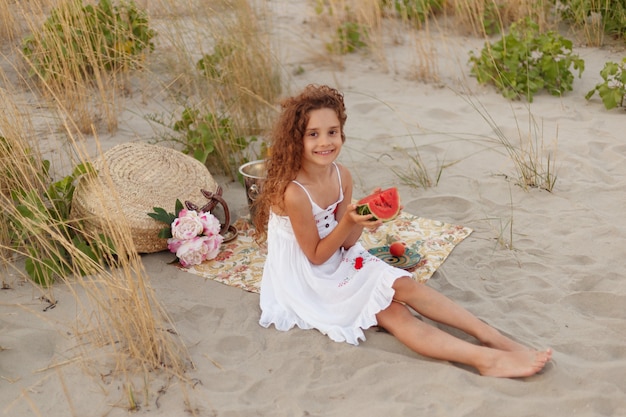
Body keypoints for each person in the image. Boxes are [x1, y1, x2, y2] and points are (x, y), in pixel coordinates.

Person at [252, 84, 552, 378]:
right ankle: (486, 360)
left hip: (335, 258)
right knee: (394, 313)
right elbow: (316, 256)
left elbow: (347, 244)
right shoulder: (294, 192)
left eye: (332, 131)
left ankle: (491, 337)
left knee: (406, 286)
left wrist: (362, 220)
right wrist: (349, 222)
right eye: (313, 134)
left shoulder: (341, 175)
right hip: (306, 277)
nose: (325, 142)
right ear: (296, 139)